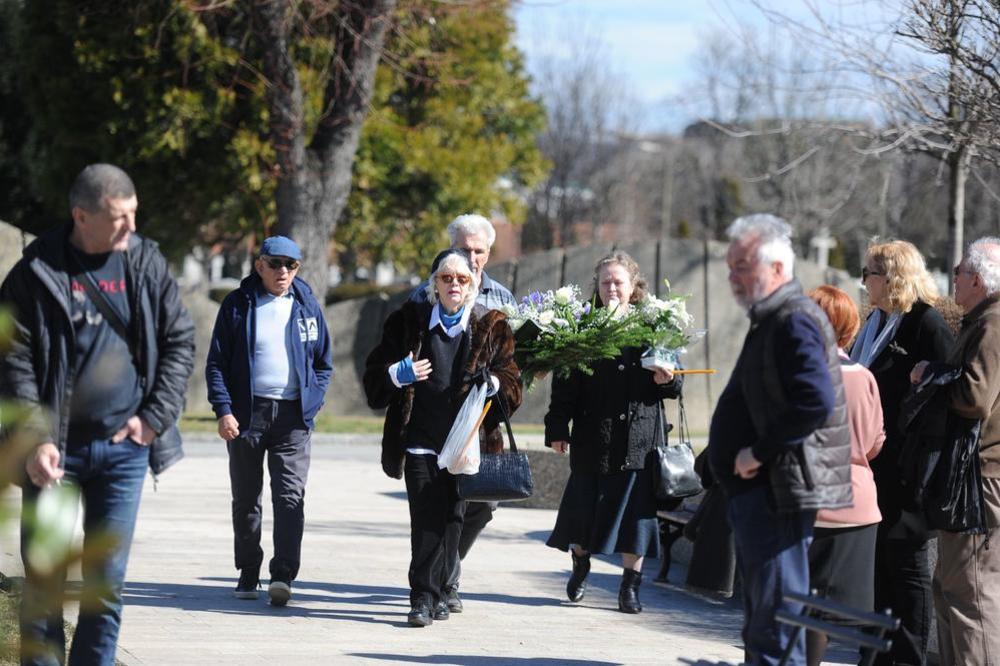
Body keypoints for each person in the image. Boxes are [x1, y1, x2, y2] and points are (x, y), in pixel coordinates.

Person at [0, 163, 196, 665]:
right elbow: (13, 359)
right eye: (118, 218)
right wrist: (36, 436)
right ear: (80, 216)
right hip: (52, 454)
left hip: (123, 451)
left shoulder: (145, 263)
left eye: (133, 214)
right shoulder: (36, 270)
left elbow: (179, 341)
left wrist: (154, 417)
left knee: (105, 585)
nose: (130, 227)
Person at [707, 214, 851, 665]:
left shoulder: (793, 319)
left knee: (775, 628)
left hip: (776, 492)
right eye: (731, 267)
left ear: (776, 268)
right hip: (762, 493)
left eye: (742, 266)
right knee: (764, 624)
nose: (733, 277)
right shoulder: (771, 317)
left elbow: (815, 400)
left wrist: (759, 452)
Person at [364, 249, 522, 627]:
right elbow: (373, 379)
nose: (454, 285)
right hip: (420, 439)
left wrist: (496, 382)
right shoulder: (408, 322)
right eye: (446, 278)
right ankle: (421, 597)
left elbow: (514, 385)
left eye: (462, 279)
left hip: (467, 444)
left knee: (454, 518)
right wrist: (397, 374)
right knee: (425, 519)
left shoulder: (492, 326)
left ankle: (440, 590)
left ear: (472, 286)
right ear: (434, 284)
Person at [544, 251, 682, 614]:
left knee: (636, 520)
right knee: (582, 516)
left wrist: (666, 380)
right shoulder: (581, 326)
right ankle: (580, 565)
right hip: (594, 438)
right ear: (597, 286)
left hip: (639, 440)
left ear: (633, 285)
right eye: (605, 282)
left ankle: (629, 589)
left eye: (618, 281)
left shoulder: (655, 325)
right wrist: (558, 427)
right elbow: (565, 387)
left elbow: (674, 385)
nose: (612, 288)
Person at [205, 235, 333, 607]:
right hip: (247, 415)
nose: (283, 272)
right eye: (275, 264)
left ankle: (283, 575)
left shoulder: (307, 305)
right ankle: (248, 570)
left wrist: (313, 399)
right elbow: (216, 364)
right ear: (259, 265)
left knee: (290, 496)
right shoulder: (238, 305)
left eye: (291, 266)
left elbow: (324, 362)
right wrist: (224, 410)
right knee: (246, 497)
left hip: (294, 416)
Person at [850, 239, 953, 666]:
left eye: (869, 274)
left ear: (891, 277)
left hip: (909, 473)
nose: (863, 282)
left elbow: (947, 398)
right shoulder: (874, 322)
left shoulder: (926, 326)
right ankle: (873, 657)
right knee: (877, 569)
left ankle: (908, 659)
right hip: (875, 471)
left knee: (908, 572)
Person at [409, 213, 515, 613]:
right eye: (464, 249)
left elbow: (514, 361)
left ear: (489, 253)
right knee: (438, 507)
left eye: (479, 251)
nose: (470, 259)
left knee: (481, 507)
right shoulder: (427, 293)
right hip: (432, 426)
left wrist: (502, 385)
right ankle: (441, 585)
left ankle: (445, 572)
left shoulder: (502, 299)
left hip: (480, 426)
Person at [910, 237, 1000, 665]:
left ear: (979, 281)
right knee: (949, 592)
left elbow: (975, 397)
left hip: (981, 481)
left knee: (971, 597)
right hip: (972, 478)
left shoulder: (992, 324)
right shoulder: (983, 320)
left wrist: (934, 374)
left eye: (961, 272)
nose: (955, 279)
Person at [806, 286, 886, 666]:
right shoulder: (864, 378)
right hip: (858, 505)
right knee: (859, 604)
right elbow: (873, 443)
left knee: (808, 606)